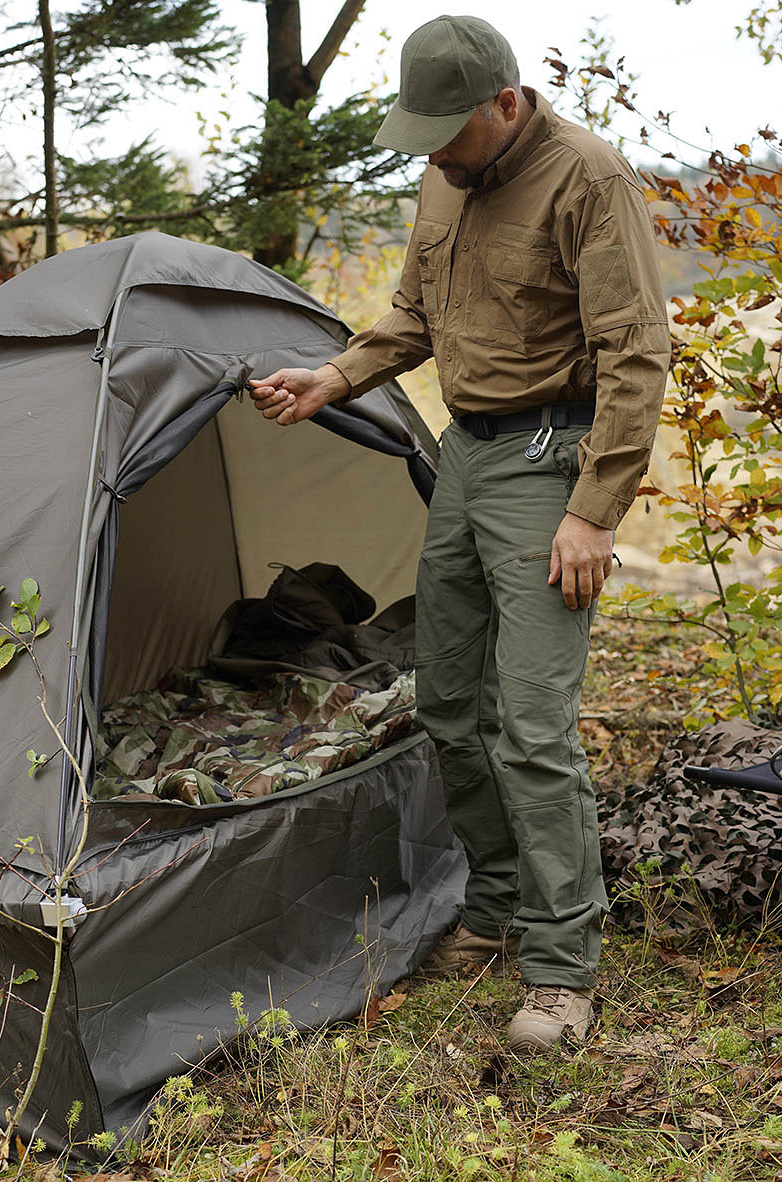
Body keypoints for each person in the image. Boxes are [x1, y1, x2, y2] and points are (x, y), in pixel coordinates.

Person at [249, 14, 670, 1052]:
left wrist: (590, 511)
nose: (433, 149)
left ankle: (565, 972)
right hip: (465, 455)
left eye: (449, 128)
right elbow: (411, 317)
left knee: (531, 722)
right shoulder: (441, 175)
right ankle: (494, 906)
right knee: (445, 698)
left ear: (506, 102)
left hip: (550, 464)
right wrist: (335, 375)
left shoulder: (588, 180)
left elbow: (635, 353)